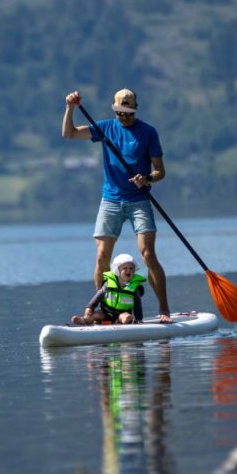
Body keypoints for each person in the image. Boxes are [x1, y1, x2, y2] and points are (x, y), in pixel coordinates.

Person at [63, 88, 172, 323]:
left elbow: (160, 171)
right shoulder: (105, 128)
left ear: (135, 109)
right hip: (110, 200)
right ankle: (105, 312)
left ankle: (164, 309)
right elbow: (69, 133)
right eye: (120, 113)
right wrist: (70, 108)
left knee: (148, 254)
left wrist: (147, 178)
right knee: (102, 256)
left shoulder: (148, 132)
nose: (124, 117)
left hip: (138, 200)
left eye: (128, 113)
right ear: (115, 109)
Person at [71, 254, 146, 325]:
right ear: (117, 271)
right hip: (105, 313)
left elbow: (137, 305)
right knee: (96, 315)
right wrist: (90, 307)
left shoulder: (135, 288)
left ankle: (126, 321)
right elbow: (98, 297)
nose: (128, 270)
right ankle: (84, 320)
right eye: (125, 268)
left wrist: (139, 319)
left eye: (131, 268)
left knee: (125, 316)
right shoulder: (108, 284)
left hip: (122, 314)